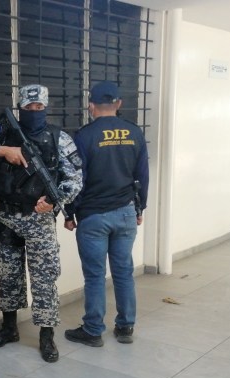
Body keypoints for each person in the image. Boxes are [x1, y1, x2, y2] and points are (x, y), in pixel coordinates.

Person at [0, 84, 83, 363]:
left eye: (39, 108)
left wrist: (54, 200)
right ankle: (9, 328)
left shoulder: (59, 138)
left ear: (45, 107)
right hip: (7, 216)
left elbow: (75, 178)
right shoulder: (2, 132)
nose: (34, 112)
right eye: (28, 108)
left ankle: (46, 335)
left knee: (44, 278)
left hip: (39, 218)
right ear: (20, 108)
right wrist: (3, 150)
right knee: (7, 273)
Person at [64, 81, 149, 346]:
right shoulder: (135, 133)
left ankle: (93, 330)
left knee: (95, 275)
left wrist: (69, 212)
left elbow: (76, 177)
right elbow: (142, 176)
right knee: (124, 272)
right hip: (125, 212)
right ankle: (125, 328)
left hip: (93, 216)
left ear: (91, 106)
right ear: (119, 104)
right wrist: (139, 208)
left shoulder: (84, 136)